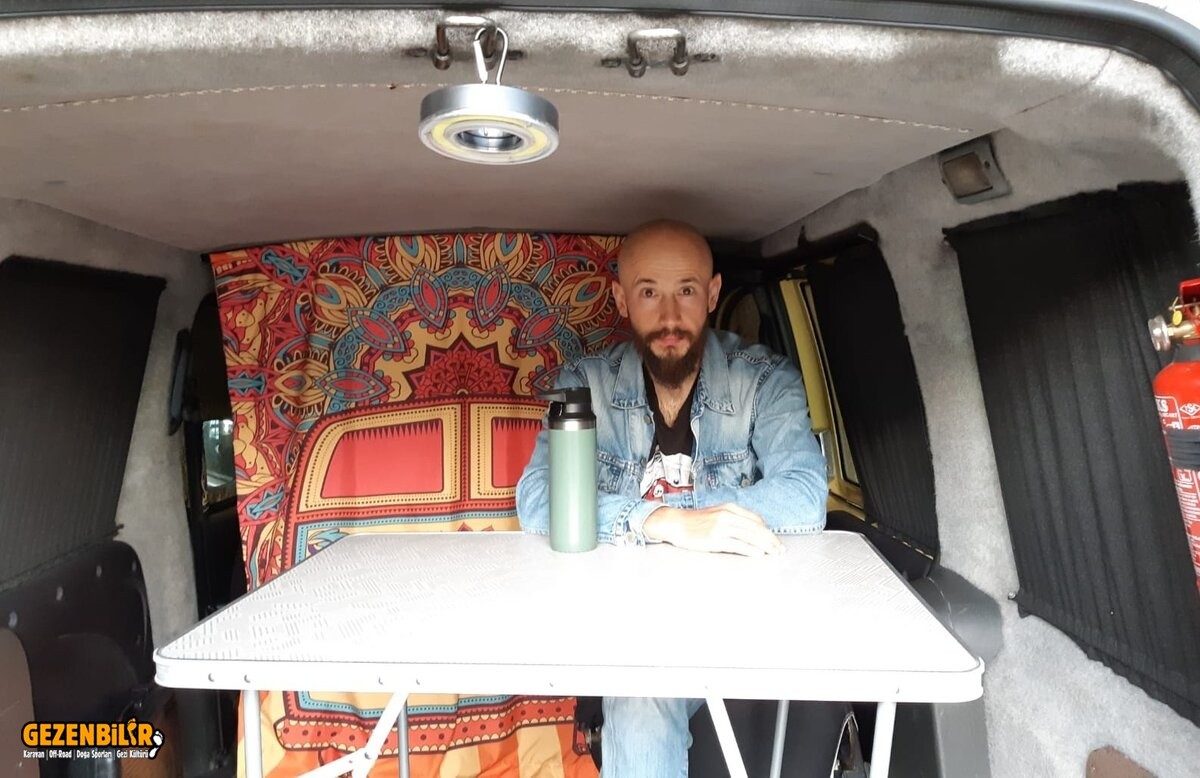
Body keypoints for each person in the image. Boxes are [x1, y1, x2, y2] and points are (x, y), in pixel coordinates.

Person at [515, 219, 828, 777]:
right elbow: (537, 496)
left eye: (685, 290)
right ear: (621, 299)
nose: (669, 316)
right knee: (641, 692)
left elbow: (805, 495)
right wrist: (662, 521)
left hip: (736, 616)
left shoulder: (765, 380)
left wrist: (688, 519)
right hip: (621, 621)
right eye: (648, 293)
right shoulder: (586, 383)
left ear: (712, 293)